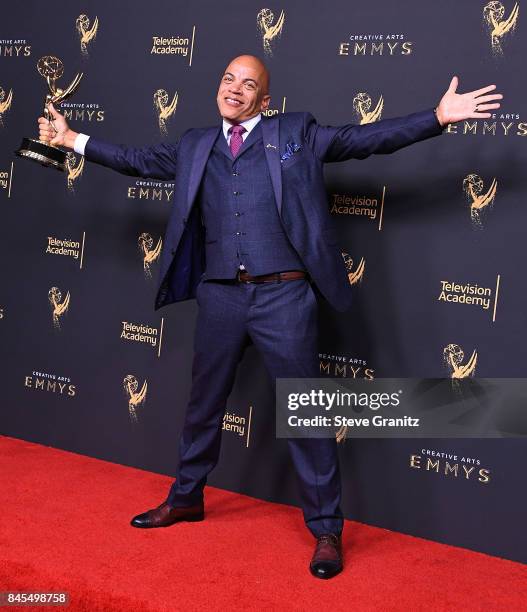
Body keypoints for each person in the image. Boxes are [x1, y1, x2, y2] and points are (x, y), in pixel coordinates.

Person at [38, 55, 502, 579]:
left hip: (284, 297)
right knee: (202, 406)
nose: (235, 90)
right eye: (229, 80)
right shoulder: (194, 145)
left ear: (265, 99)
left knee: (305, 411)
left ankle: (326, 528)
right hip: (220, 297)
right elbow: (135, 159)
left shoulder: (295, 134)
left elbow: (362, 139)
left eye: (249, 85)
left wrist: (436, 117)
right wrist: (73, 138)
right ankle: (186, 497)